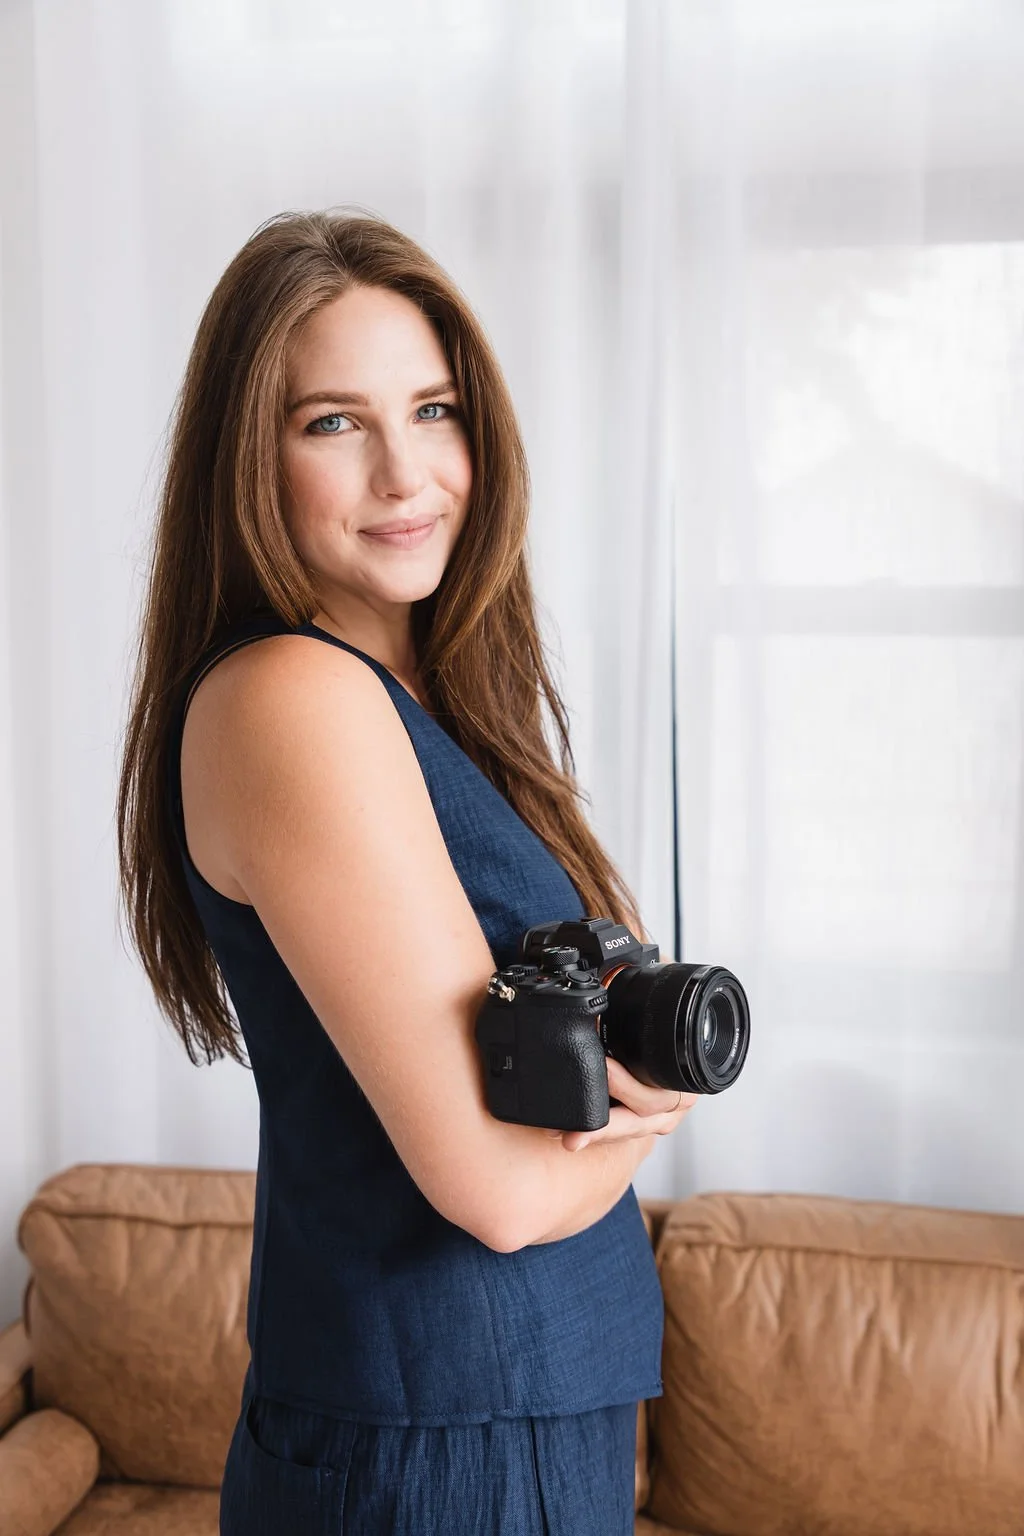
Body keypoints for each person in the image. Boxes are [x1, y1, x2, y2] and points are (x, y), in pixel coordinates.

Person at [117, 208, 696, 1535]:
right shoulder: (293, 700)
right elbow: (496, 1191)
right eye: (333, 422)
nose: (405, 471)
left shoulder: (425, 702)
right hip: (443, 1453)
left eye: (432, 408)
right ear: (244, 461)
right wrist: (659, 1103)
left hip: (513, 1420)